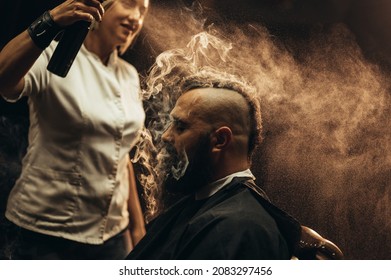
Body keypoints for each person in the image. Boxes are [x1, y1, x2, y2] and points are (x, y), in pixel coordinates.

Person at [0, 0, 149, 259]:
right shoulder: (50, 56)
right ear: (98, 5)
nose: (136, 17)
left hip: (112, 234)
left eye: (143, 11)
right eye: (129, 3)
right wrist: (51, 20)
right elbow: (3, 79)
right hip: (43, 232)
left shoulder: (129, 75)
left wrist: (137, 228)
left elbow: (120, 153)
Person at [126, 76, 301, 260]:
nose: (165, 136)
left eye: (180, 126)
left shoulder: (237, 229)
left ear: (220, 140)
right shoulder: (202, 203)